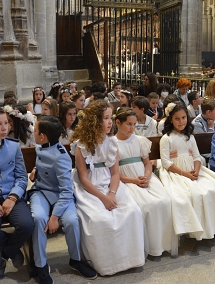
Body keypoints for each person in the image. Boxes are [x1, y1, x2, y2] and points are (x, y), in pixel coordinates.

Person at [70, 100, 145, 275]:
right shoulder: (81, 145)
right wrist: (103, 198)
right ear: (94, 121)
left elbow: (115, 173)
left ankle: (129, 259)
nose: (110, 122)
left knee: (131, 212)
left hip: (111, 184)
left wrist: (111, 193)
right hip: (89, 187)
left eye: (110, 117)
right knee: (99, 219)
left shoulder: (112, 142)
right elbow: (82, 177)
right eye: (105, 118)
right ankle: (106, 264)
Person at [28, 116, 97, 283]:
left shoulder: (61, 156)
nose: (33, 132)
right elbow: (43, 162)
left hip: (60, 195)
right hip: (41, 192)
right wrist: (35, 170)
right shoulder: (41, 145)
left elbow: (66, 190)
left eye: (35, 130)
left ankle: (75, 259)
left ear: (42, 136)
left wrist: (55, 217)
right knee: (38, 218)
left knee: (72, 221)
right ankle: (41, 265)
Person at [158, 102, 215, 240]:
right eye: (177, 118)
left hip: (194, 169)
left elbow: (196, 156)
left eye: (183, 118)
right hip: (176, 172)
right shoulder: (166, 139)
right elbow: (165, 162)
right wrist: (185, 173)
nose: (181, 121)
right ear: (171, 119)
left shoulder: (190, 136)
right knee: (191, 194)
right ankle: (193, 229)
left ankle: (213, 226)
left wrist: (195, 170)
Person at [115, 107, 176, 256]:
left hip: (144, 177)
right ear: (117, 123)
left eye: (134, 124)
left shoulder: (140, 140)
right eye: (128, 124)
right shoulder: (112, 144)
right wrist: (133, 180)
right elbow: (113, 172)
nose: (132, 128)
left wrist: (147, 177)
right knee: (145, 205)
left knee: (164, 201)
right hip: (126, 180)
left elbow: (147, 163)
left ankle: (162, 244)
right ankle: (146, 246)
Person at [0, 106, 34, 278]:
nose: (5, 127)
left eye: (6, 123)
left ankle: (4, 254)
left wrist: (13, 197)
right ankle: (12, 250)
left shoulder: (13, 147)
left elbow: (21, 177)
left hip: (12, 195)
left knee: (27, 224)